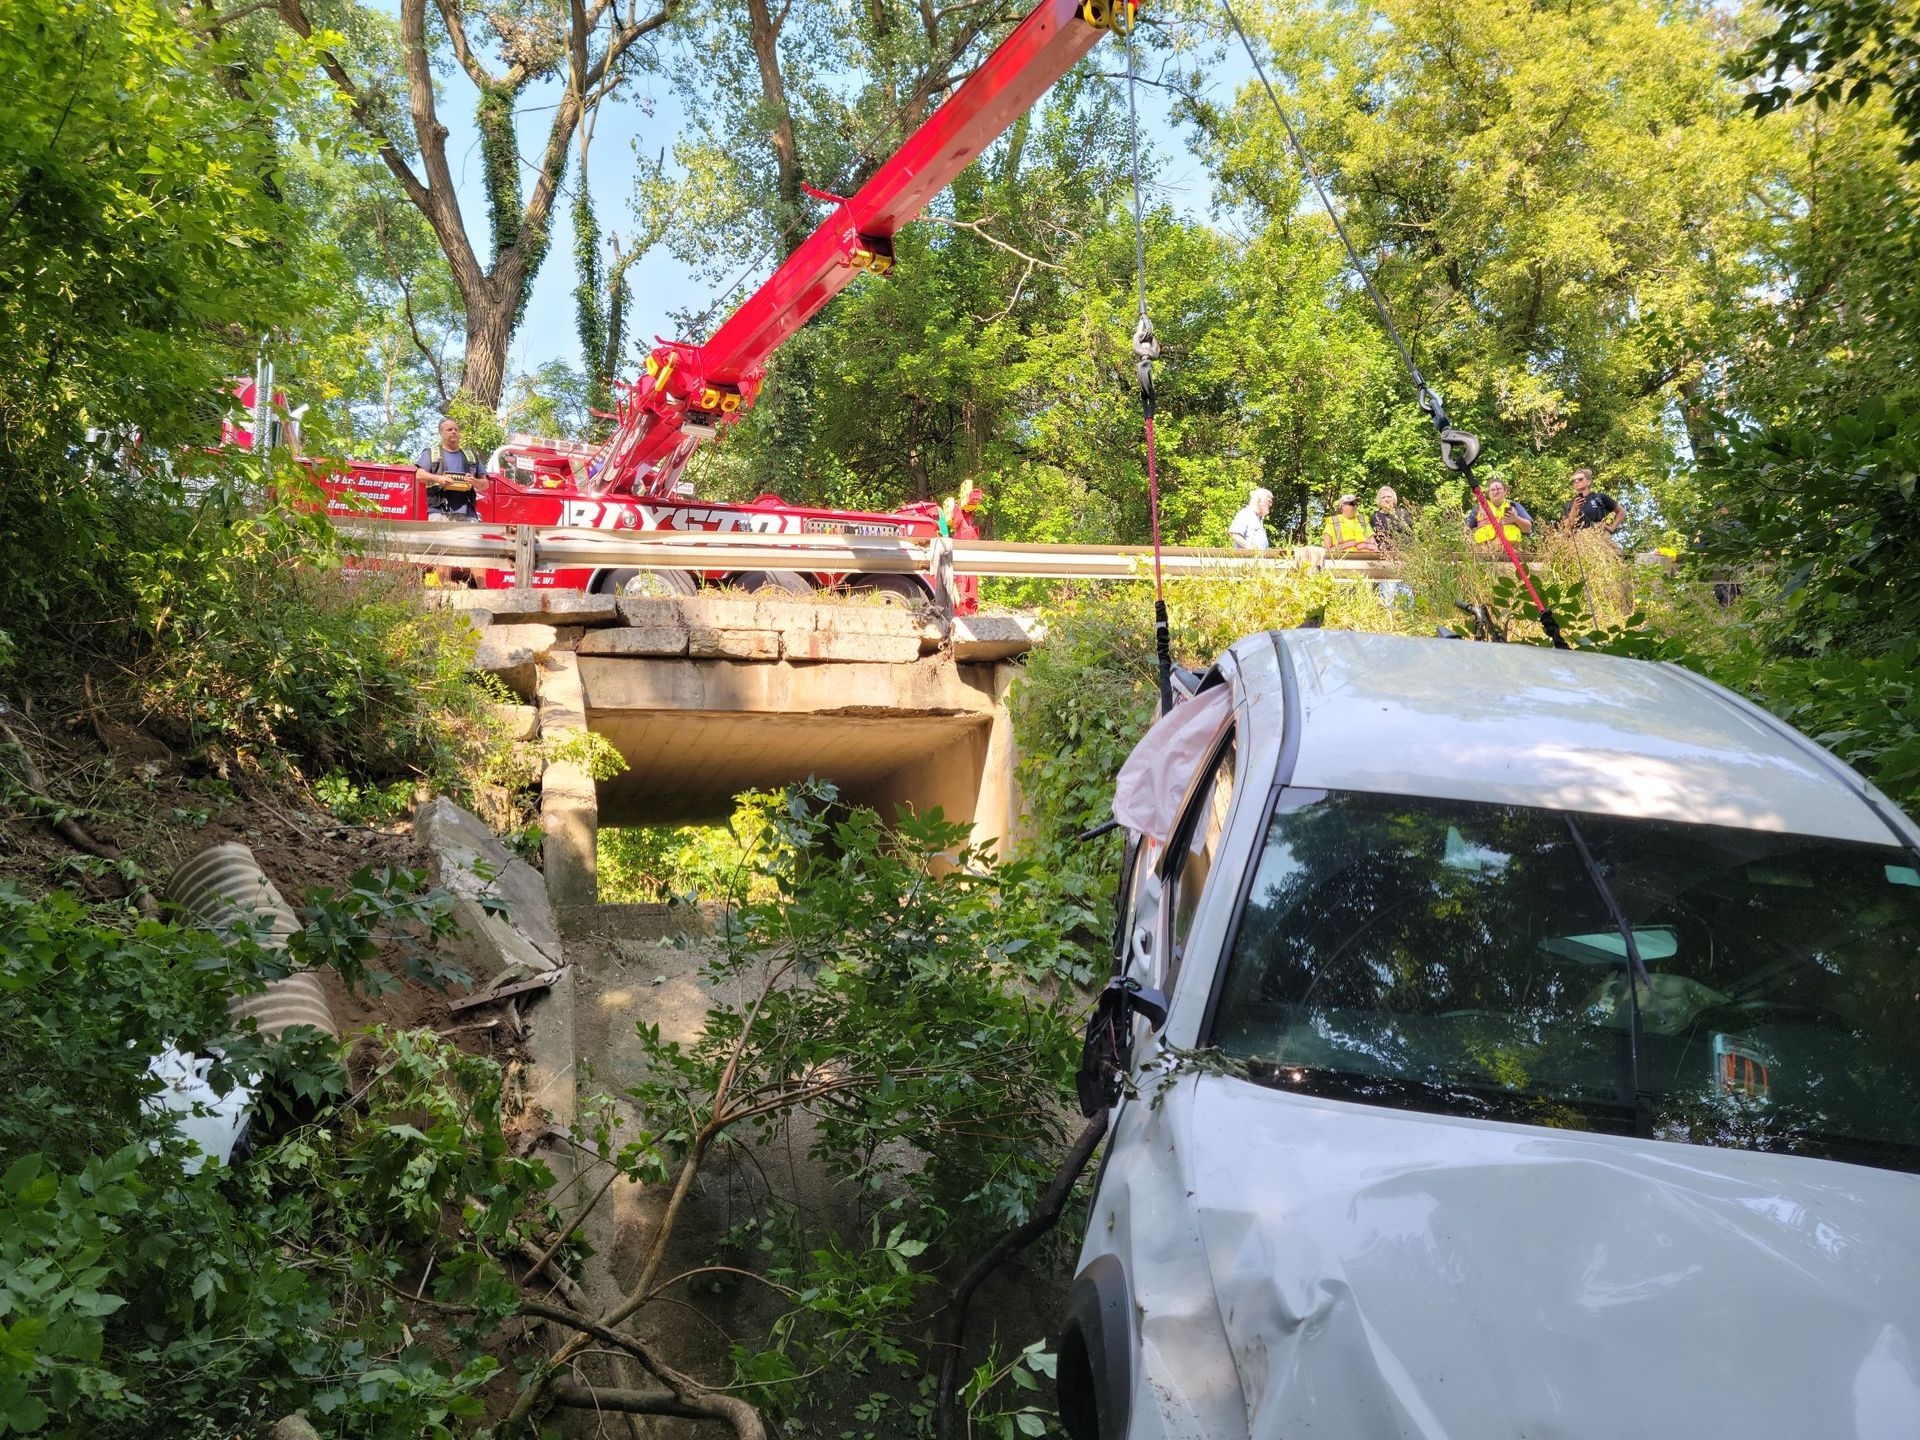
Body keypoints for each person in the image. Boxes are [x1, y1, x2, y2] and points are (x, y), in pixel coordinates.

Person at [414, 416, 480, 520]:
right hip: (439, 512)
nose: (454, 432)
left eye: (456, 429)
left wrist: (475, 481)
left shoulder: (471, 456)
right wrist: (438, 479)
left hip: (468, 513)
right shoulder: (431, 453)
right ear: (441, 434)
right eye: (449, 429)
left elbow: (485, 484)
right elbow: (419, 475)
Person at [1466, 477, 1532, 549]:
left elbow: (1527, 529)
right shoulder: (1479, 508)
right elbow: (1466, 529)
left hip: (1511, 551)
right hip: (1485, 551)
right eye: (1493, 490)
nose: (1496, 492)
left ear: (1505, 491)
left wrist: (1515, 519)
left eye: (1499, 489)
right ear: (1488, 492)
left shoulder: (1513, 506)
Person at [1560, 467, 1624, 539]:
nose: (1576, 482)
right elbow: (1567, 529)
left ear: (1588, 482)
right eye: (1574, 481)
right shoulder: (1569, 504)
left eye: (1580, 479)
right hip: (1579, 540)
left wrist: (1612, 528)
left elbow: (1621, 511)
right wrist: (1574, 509)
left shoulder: (1599, 498)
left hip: (1599, 537)